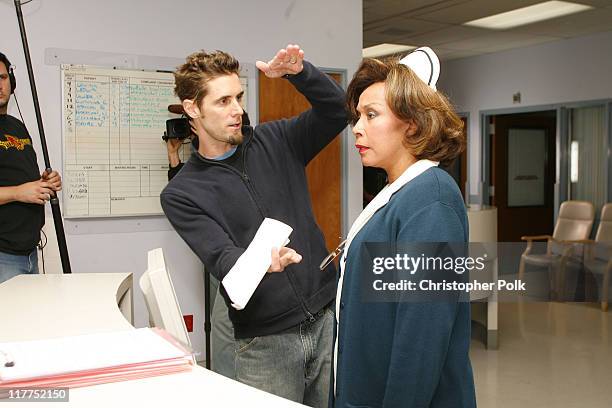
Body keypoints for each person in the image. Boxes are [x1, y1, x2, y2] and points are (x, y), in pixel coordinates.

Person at [161, 44, 346, 406]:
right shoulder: (182, 192)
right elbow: (222, 258)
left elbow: (338, 110)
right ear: (192, 109)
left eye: (239, 97)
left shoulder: (277, 140)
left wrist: (300, 73)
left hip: (325, 322)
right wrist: (262, 262)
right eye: (223, 101)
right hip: (266, 344)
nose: (237, 110)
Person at [331, 48, 476, 407]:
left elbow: (421, 341)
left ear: (411, 122)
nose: (357, 128)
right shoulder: (400, 194)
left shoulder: (432, 202)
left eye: (371, 115)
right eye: (357, 116)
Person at [164, 111, 250, 380]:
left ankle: (225, 387)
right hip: (216, 251)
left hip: (239, 253)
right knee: (220, 323)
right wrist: (173, 156)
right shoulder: (203, 155)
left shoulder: (236, 148)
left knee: (224, 326)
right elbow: (183, 190)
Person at [0, 52, 62, 283]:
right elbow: (18, 189)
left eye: (3, 77)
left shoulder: (17, 127)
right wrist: (18, 192)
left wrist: (44, 181)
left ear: (11, 81)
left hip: (28, 251)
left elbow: (18, 177)